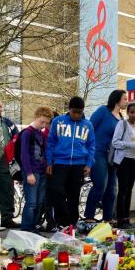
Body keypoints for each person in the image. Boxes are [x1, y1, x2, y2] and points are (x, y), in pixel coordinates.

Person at [46, 97, 95, 228]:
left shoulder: (87, 125)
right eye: (74, 112)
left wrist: (89, 164)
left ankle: (72, 223)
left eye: (80, 112)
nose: (77, 115)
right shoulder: (58, 121)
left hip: (79, 164)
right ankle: (62, 221)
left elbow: (91, 146)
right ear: (69, 109)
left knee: (74, 194)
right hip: (60, 163)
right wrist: (49, 162)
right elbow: (50, 142)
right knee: (57, 191)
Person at [84, 90, 126, 223]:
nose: (127, 101)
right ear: (117, 100)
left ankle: (108, 218)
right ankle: (89, 216)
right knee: (100, 185)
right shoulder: (103, 111)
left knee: (112, 188)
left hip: (113, 157)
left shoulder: (122, 118)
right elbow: (89, 127)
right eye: (125, 99)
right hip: (98, 153)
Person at [0, 97, 20, 230]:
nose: (0, 109)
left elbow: (17, 139)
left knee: (7, 189)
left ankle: (7, 218)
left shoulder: (8, 123)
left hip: (4, 160)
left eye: (1, 106)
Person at [18, 107, 52, 232]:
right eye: (41, 122)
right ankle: (26, 229)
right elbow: (24, 154)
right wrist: (28, 173)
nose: (43, 125)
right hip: (32, 172)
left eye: (46, 123)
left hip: (41, 171)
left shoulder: (40, 133)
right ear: (36, 117)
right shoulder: (28, 132)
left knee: (39, 203)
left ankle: (34, 227)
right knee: (31, 203)